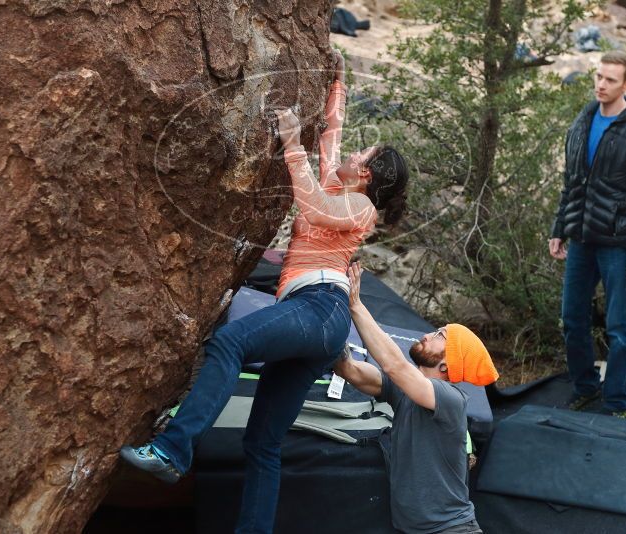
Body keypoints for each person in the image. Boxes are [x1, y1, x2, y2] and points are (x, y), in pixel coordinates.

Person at [119, 48, 409, 534]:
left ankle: (172, 451)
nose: (354, 153)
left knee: (230, 342)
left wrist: (292, 142)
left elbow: (313, 207)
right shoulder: (347, 187)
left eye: (365, 155)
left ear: (368, 176)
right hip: (315, 320)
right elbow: (333, 133)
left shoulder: (361, 208)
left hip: (320, 309)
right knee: (263, 443)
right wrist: (337, 82)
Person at [549, 51, 626, 419]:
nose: (601, 85)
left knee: (620, 328)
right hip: (583, 240)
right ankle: (586, 388)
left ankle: (618, 401)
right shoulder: (584, 120)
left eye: (611, 80)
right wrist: (560, 228)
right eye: (599, 77)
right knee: (572, 319)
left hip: (620, 246)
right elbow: (572, 183)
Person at [335, 262, 498, 534]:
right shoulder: (404, 391)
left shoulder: (451, 399)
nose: (426, 334)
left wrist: (356, 305)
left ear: (447, 364)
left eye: (438, 336)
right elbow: (350, 370)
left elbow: (394, 365)